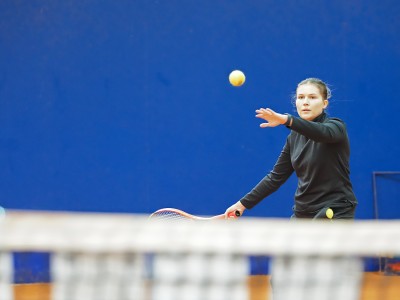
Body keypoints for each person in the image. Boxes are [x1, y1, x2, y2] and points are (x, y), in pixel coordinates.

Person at [225, 78, 357, 219]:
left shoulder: (336, 127)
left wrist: (286, 120)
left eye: (312, 97)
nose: (305, 102)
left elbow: (322, 133)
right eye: (301, 97)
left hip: (334, 210)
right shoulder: (294, 137)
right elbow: (275, 177)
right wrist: (241, 204)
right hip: (303, 213)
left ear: (324, 103)